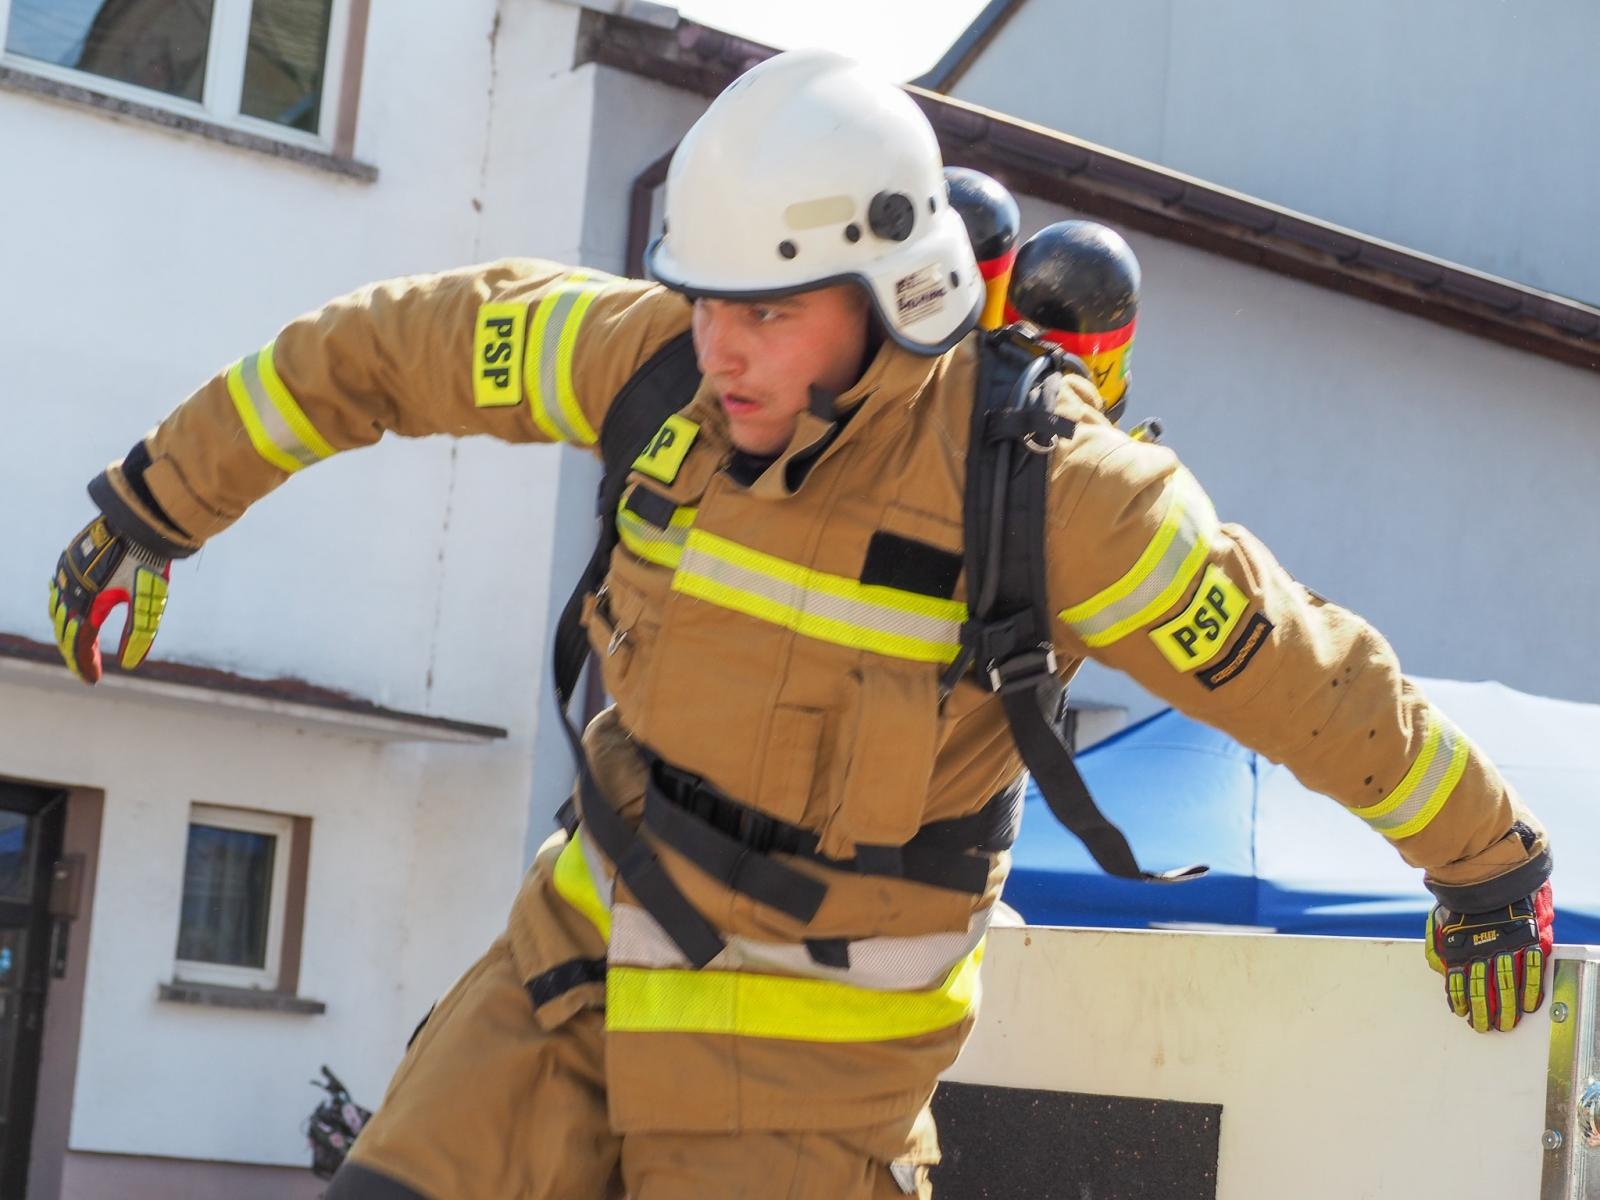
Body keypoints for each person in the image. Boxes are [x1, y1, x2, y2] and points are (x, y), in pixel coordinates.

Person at [47, 48, 1553, 1200]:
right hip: (587, 957)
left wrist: (1486, 862)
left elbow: (1311, 682)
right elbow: (391, 350)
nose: (721, 347)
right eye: (707, 301)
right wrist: (152, 505)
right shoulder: (653, 371)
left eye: (768, 313)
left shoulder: (1060, 497)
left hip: (810, 1079)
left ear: (897, 287)